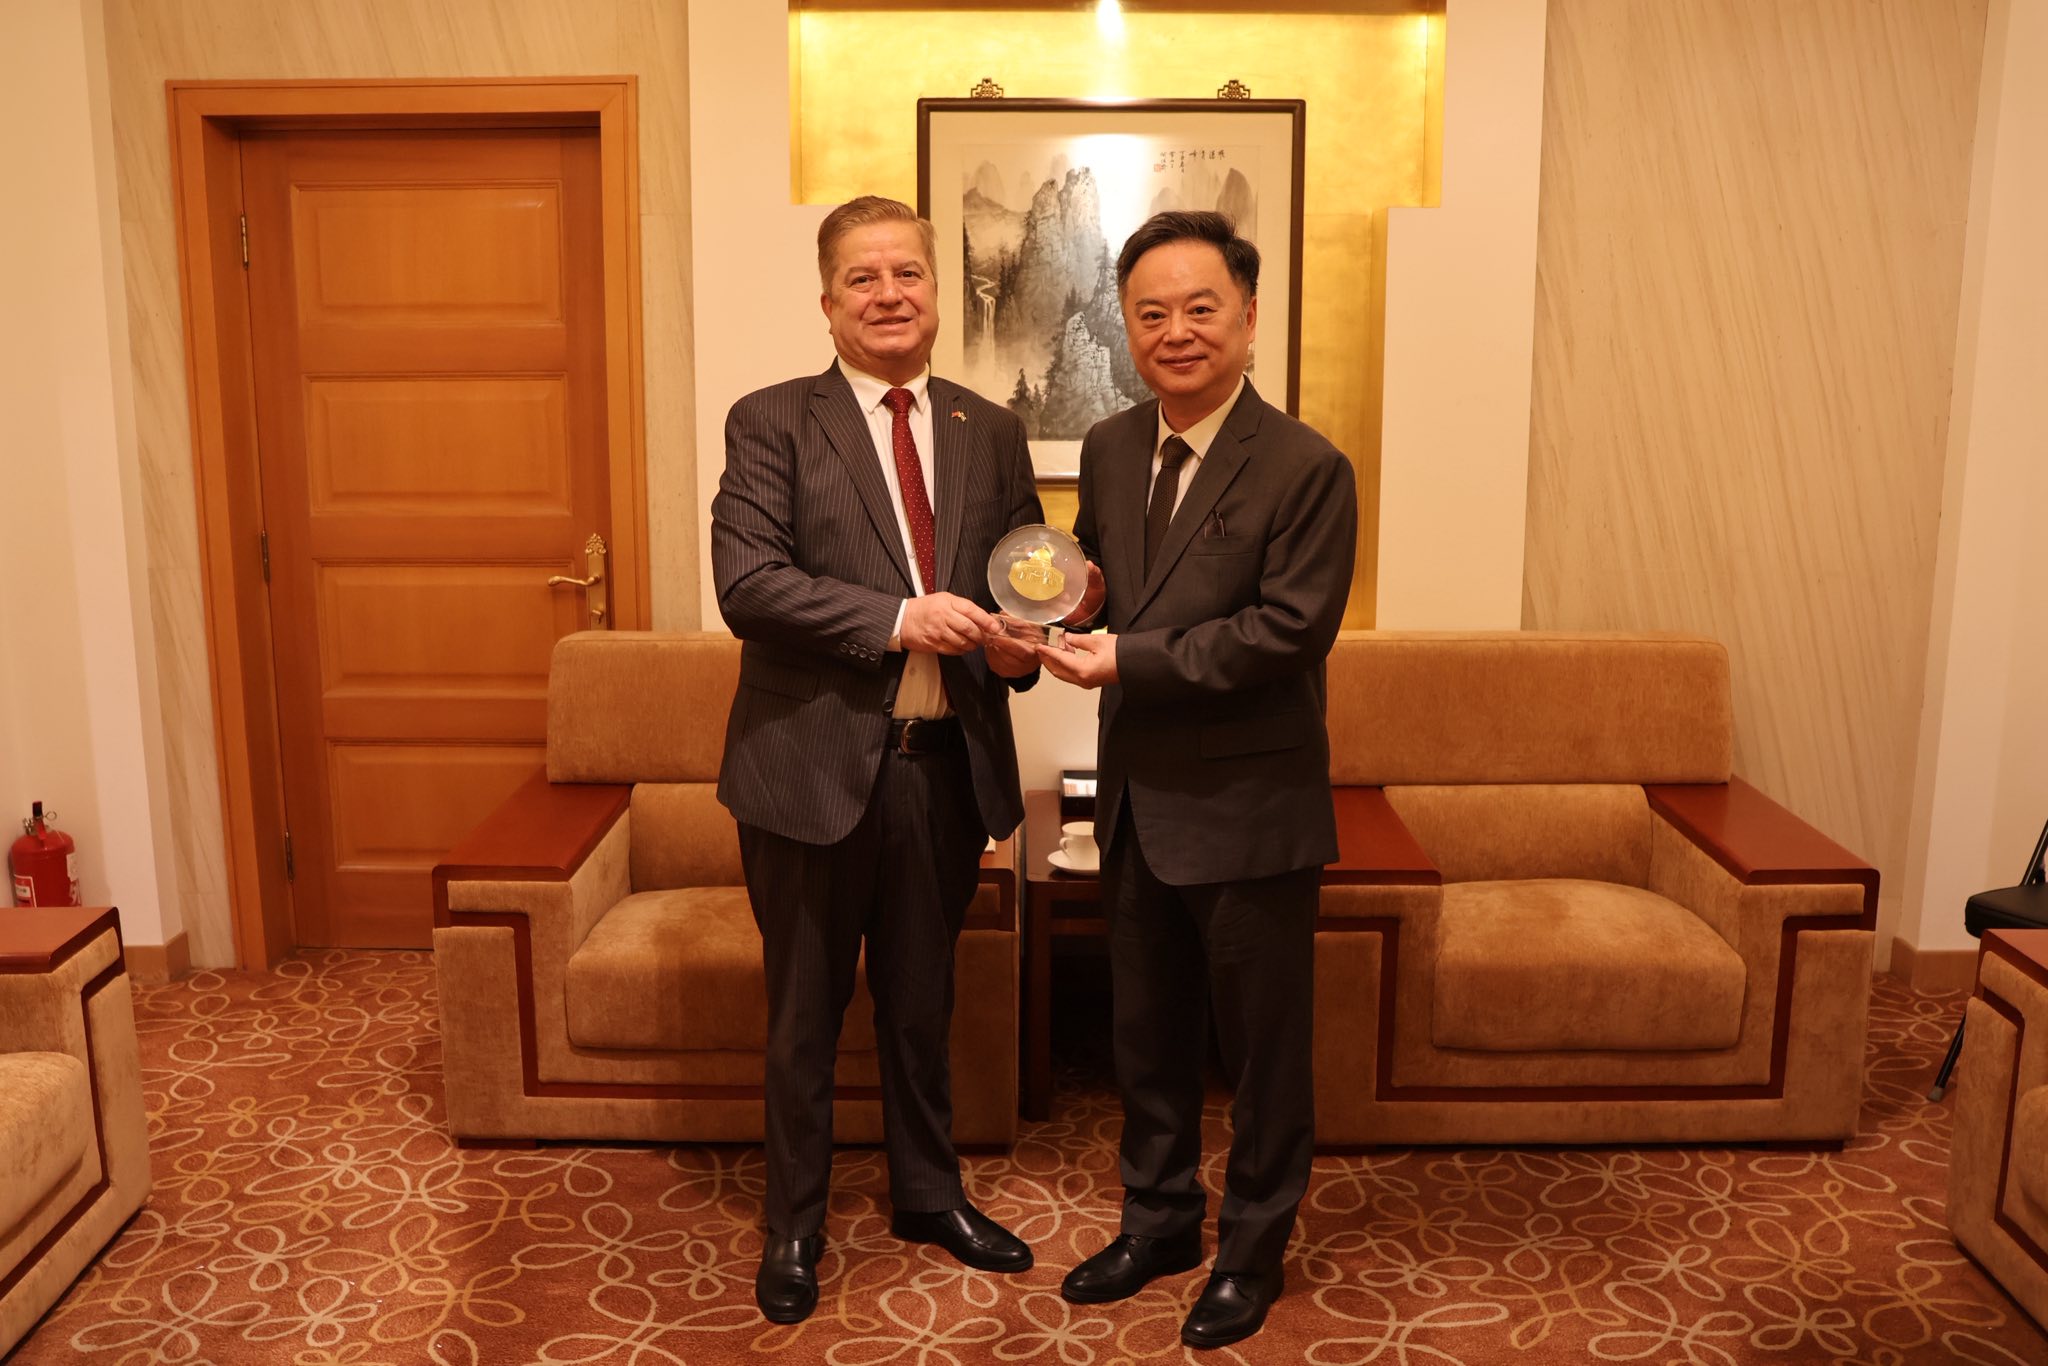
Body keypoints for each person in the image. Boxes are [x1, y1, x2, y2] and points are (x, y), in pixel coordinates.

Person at [711, 195, 1046, 1324]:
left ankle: (927, 1194)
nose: (889, 294)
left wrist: (1017, 646)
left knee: (918, 1002)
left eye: (908, 273)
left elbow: (1015, 584)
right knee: (804, 1016)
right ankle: (793, 1224)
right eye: (863, 277)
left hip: (942, 769)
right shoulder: (772, 421)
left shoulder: (988, 429)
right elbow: (749, 585)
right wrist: (899, 619)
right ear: (827, 302)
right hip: (808, 771)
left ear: (937, 293)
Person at [1035, 210, 1357, 1350]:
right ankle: (1160, 1220)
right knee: (1148, 1035)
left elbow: (1285, 632)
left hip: (1251, 809)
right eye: (1150, 312)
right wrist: (1054, 604)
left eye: (1200, 307)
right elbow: (1106, 582)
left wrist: (1123, 657)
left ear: (1249, 318)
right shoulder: (1113, 445)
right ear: (1124, 326)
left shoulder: (1306, 466)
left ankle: (1252, 1248)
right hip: (1134, 801)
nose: (1175, 331)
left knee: (1262, 1054)